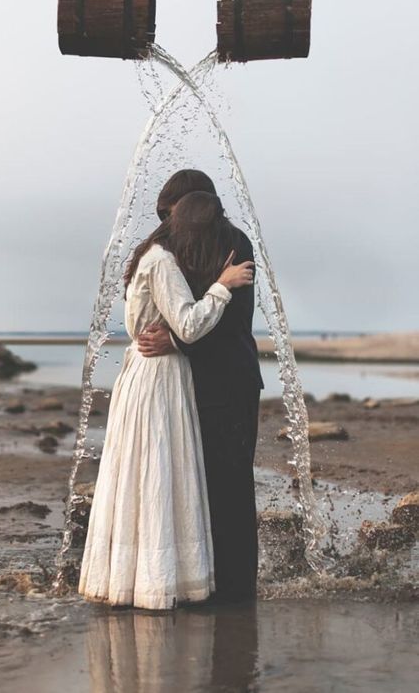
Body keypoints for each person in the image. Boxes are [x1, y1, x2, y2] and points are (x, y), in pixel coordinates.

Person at [78, 191, 254, 610]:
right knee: (158, 473)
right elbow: (190, 326)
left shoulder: (150, 256)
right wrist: (222, 286)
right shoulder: (162, 262)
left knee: (143, 473)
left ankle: (134, 578)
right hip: (159, 378)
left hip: (145, 373)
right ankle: (156, 582)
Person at [138, 170, 264, 601]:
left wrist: (174, 340)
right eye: (167, 213)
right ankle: (200, 583)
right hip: (181, 386)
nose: (173, 219)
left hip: (229, 382)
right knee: (191, 487)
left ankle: (237, 593)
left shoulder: (236, 242)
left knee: (231, 487)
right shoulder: (166, 249)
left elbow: (234, 317)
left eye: (175, 210)